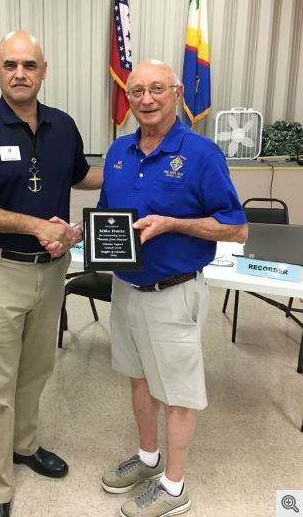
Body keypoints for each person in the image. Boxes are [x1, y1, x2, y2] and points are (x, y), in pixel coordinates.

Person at [0, 30, 102, 517]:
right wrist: (34, 224)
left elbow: (79, 174)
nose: (19, 73)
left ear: (44, 69)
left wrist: (134, 161)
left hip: (51, 271)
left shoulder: (63, 125)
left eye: (29, 65)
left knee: (35, 372)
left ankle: (24, 445)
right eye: (10, 64)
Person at [98, 60, 248, 517]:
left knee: (178, 393)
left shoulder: (201, 154)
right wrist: (77, 232)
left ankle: (175, 488)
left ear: (177, 92)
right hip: (126, 291)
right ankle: (148, 459)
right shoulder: (118, 151)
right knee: (139, 379)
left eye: (157, 89)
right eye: (137, 90)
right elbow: (108, 214)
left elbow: (236, 228)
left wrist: (174, 224)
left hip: (174, 292)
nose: (146, 99)